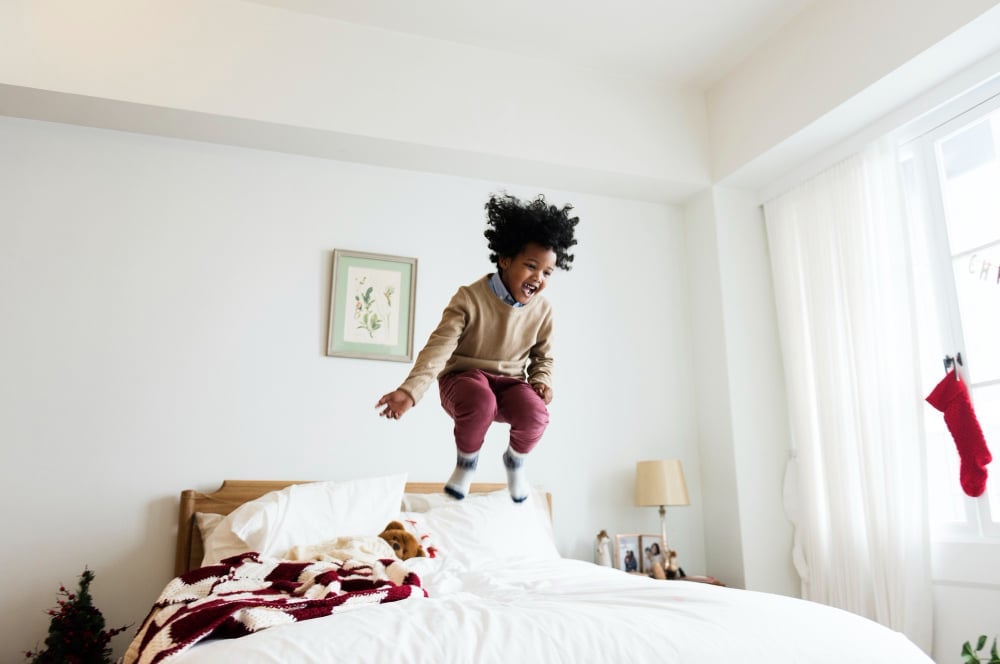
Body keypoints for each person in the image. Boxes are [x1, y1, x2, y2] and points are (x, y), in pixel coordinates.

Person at [375, 193, 579, 503]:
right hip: (464, 379)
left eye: (547, 273)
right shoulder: (468, 298)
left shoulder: (543, 311)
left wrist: (542, 381)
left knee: (537, 414)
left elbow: (543, 357)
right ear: (505, 259)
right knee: (481, 400)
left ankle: (515, 461)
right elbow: (438, 348)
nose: (538, 278)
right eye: (531, 266)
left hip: (510, 384)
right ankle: (466, 463)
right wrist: (409, 391)